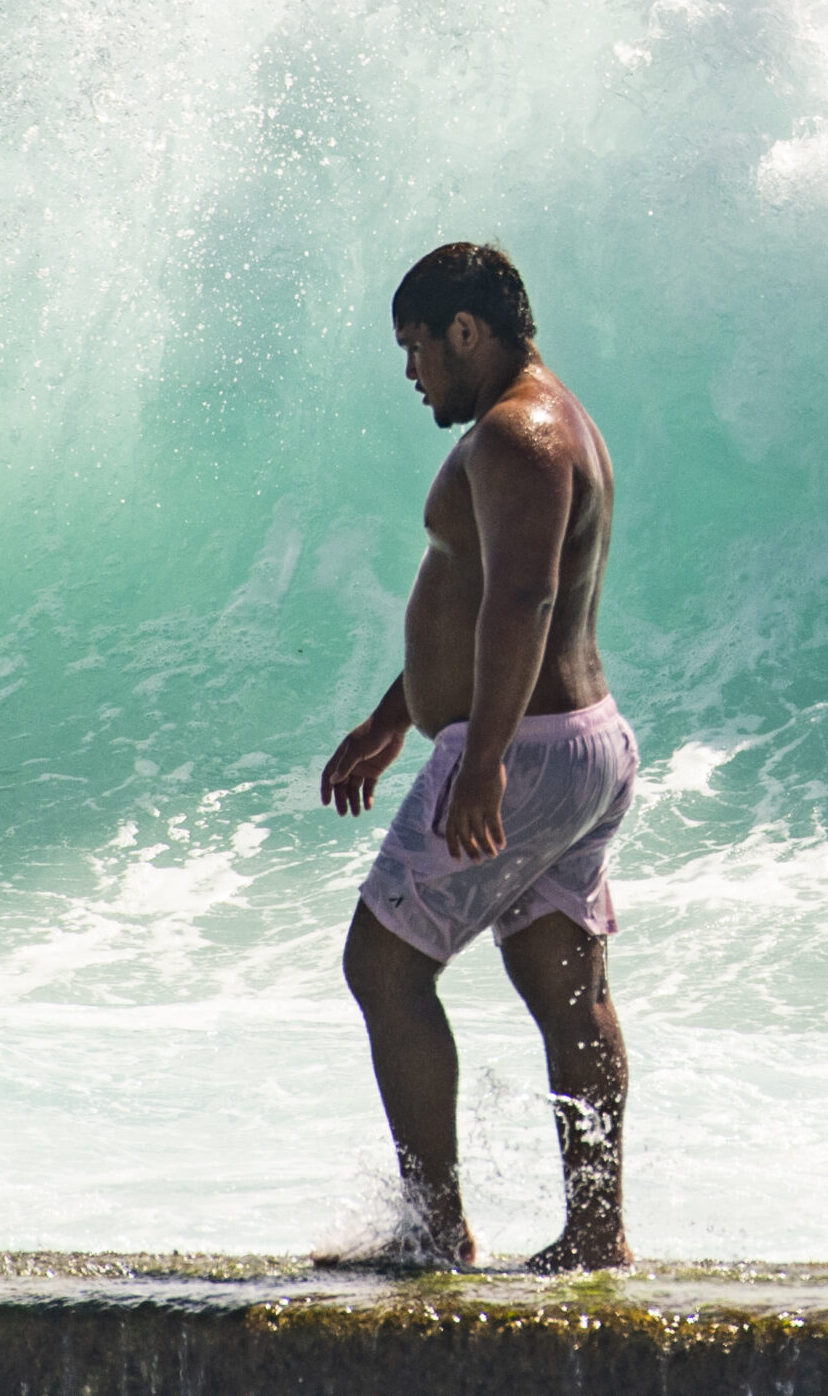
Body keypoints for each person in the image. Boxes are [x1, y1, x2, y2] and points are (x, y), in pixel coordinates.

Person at [316, 242, 639, 1272]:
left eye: (417, 346)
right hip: (577, 746)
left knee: (383, 965)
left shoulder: (517, 435)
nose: (412, 372)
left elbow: (522, 601)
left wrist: (485, 758)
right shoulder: (554, 421)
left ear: (468, 331)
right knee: (563, 986)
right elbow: (471, 596)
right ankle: (595, 1234)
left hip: (527, 749)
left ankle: (436, 1231)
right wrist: (398, 713)